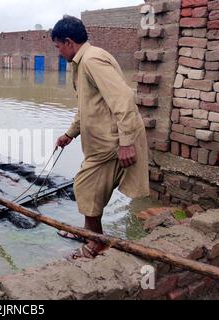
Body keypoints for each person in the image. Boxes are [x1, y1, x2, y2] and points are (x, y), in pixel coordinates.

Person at [52, 16, 149, 260]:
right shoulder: (84, 60)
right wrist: (69, 134)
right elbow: (87, 106)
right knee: (91, 189)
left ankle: (96, 243)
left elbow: (123, 99)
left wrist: (126, 143)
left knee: (85, 186)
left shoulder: (92, 60)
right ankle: (89, 233)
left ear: (68, 42)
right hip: (102, 142)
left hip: (112, 141)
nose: (58, 52)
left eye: (58, 46)